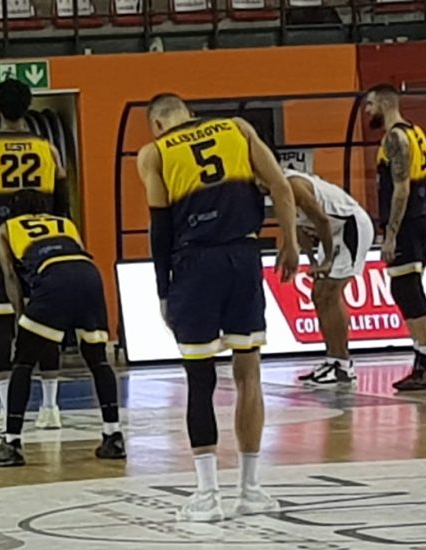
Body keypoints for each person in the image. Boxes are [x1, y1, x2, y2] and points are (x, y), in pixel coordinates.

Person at [136, 94, 299, 522]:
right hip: (243, 257)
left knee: (200, 378)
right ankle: (250, 490)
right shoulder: (237, 129)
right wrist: (290, 243)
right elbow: (281, 186)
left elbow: (160, 229)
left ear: (157, 125)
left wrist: (163, 291)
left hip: (195, 265)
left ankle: (207, 496)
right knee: (249, 374)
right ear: (189, 114)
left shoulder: (154, 152)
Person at [0, 190, 125, 467]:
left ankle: (11, 443)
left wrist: (22, 316)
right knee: (97, 360)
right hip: (89, 274)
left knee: (23, 363)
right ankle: (113, 436)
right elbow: (76, 253)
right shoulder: (65, 223)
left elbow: (10, 274)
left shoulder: (6, 228)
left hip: (53, 277)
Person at [0, 79, 70, 434]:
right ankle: (51, 408)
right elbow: (63, 195)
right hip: (44, 238)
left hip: (1, 235)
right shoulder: (48, 149)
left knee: (0, 323)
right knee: (46, 317)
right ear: (28, 106)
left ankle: (5, 410)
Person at [365, 84, 426, 392]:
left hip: (408, 221)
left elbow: (401, 189)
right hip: (422, 215)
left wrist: (391, 234)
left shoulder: (394, 138)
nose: (368, 111)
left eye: (370, 104)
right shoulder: (416, 132)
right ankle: (424, 361)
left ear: (385, 104)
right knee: (409, 288)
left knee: (406, 289)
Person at [289, 169, 375, 387]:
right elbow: (298, 228)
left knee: (330, 293)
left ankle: (343, 364)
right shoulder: (277, 189)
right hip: (334, 232)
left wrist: (327, 259)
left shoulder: (294, 186)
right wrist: (313, 261)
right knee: (318, 294)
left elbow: (321, 220)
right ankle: (332, 360)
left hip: (351, 226)